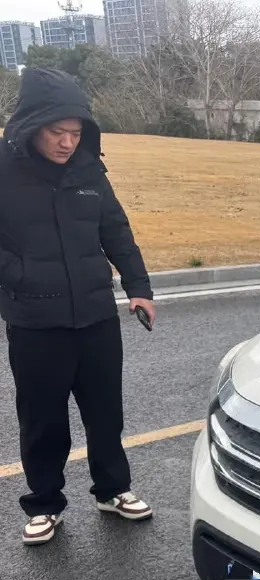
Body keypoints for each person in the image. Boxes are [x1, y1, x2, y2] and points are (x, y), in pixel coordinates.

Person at [0, 68, 156, 546]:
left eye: (75, 133)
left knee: (105, 411)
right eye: (57, 133)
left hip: (95, 315)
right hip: (34, 319)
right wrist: (17, 274)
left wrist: (138, 285)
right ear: (32, 126)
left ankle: (113, 490)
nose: (67, 143)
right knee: (43, 417)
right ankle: (45, 505)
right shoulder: (4, 169)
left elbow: (116, 230)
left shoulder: (90, 168)